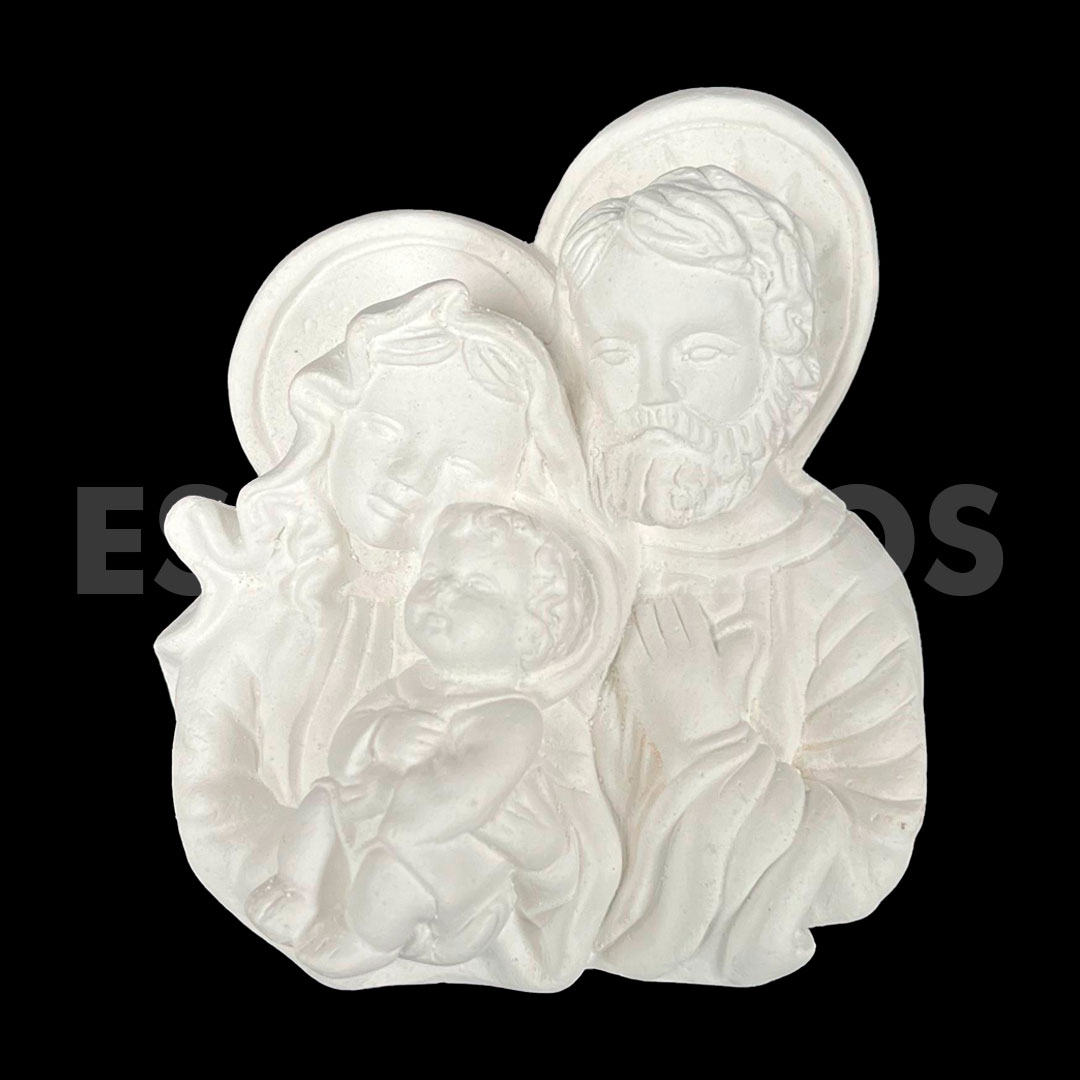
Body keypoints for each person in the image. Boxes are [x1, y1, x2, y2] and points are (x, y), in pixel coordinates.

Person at [554, 165, 927, 986]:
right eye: (616, 351)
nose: (653, 392)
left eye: (701, 349)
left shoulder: (840, 585)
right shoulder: (541, 539)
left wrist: (709, 740)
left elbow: (870, 848)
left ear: (781, 360)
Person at [156, 281, 600, 920]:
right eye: (388, 430)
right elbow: (212, 795)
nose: (411, 476)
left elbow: (571, 833)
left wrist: (544, 864)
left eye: (462, 466)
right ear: (332, 422)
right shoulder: (261, 613)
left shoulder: (507, 648)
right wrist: (319, 880)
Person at [245, 502, 605, 981]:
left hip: (438, 848)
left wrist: (396, 806)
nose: (441, 593)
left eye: (477, 587)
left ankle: (368, 937)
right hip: (373, 814)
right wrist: (378, 738)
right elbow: (345, 746)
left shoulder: (512, 716)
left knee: (394, 870)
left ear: (531, 633)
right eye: (435, 575)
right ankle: (299, 889)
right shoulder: (411, 682)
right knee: (321, 802)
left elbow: (467, 796)